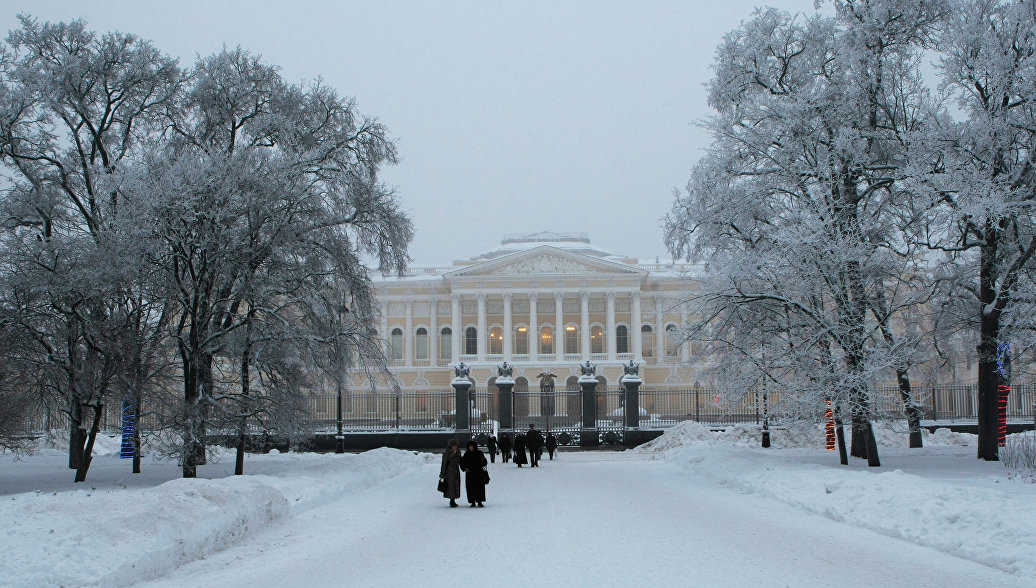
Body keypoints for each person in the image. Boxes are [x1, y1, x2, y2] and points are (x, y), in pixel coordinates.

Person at [459, 440, 488, 507]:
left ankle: (479, 501)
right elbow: (463, 463)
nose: (470, 448)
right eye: (469, 446)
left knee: (479, 488)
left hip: (479, 473)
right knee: (471, 488)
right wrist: (464, 467)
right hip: (470, 474)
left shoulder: (479, 453)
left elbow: (484, 462)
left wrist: (483, 460)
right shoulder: (467, 454)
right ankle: (472, 501)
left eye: (471, 446)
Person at [439, 439, 462, 508]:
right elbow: (444, 464)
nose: (454, 447)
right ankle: (452, 500)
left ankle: (453, 499)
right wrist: (442, 474)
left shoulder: (458, 453)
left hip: (456, 472)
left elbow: (461, 461)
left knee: (456, 485)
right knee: (450, 486)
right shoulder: (446, 454)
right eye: (453, 446)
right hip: (449, 472)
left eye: (455, 446)